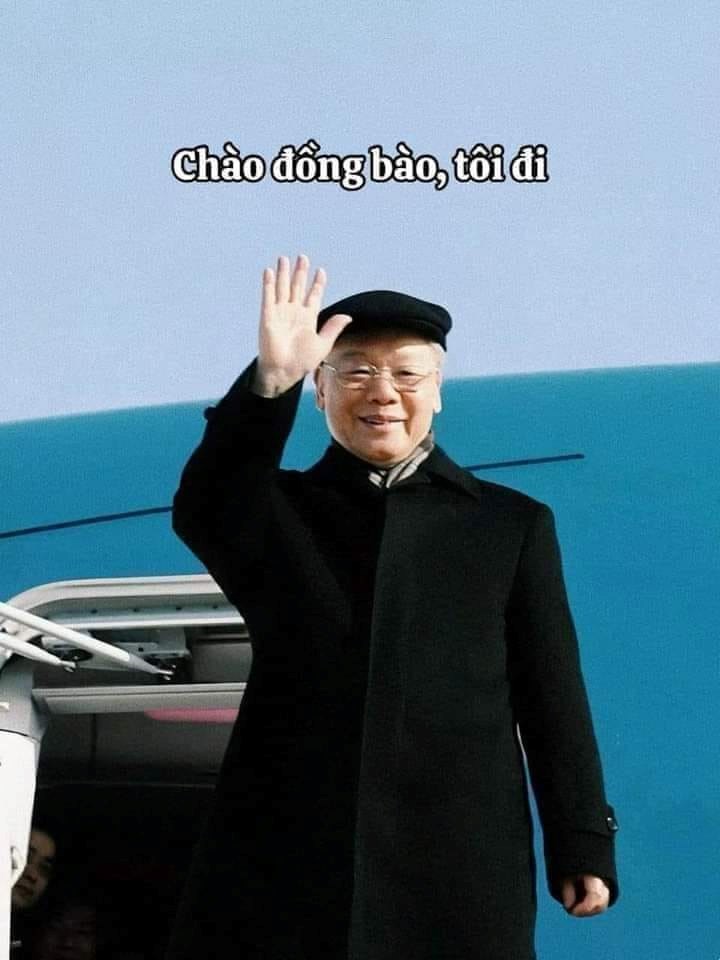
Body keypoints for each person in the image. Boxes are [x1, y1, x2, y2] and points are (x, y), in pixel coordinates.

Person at [166, 254, 619, 960]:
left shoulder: (509, 524)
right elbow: (205, 503)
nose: (382, 392)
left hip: (459, 860)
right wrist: (269, 384)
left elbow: (552, 694)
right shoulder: (278, 510)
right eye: (354, 372)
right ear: (320, 390)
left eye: (406, 374)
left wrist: (581, 838)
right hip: (290, 856)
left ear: (437, 391)